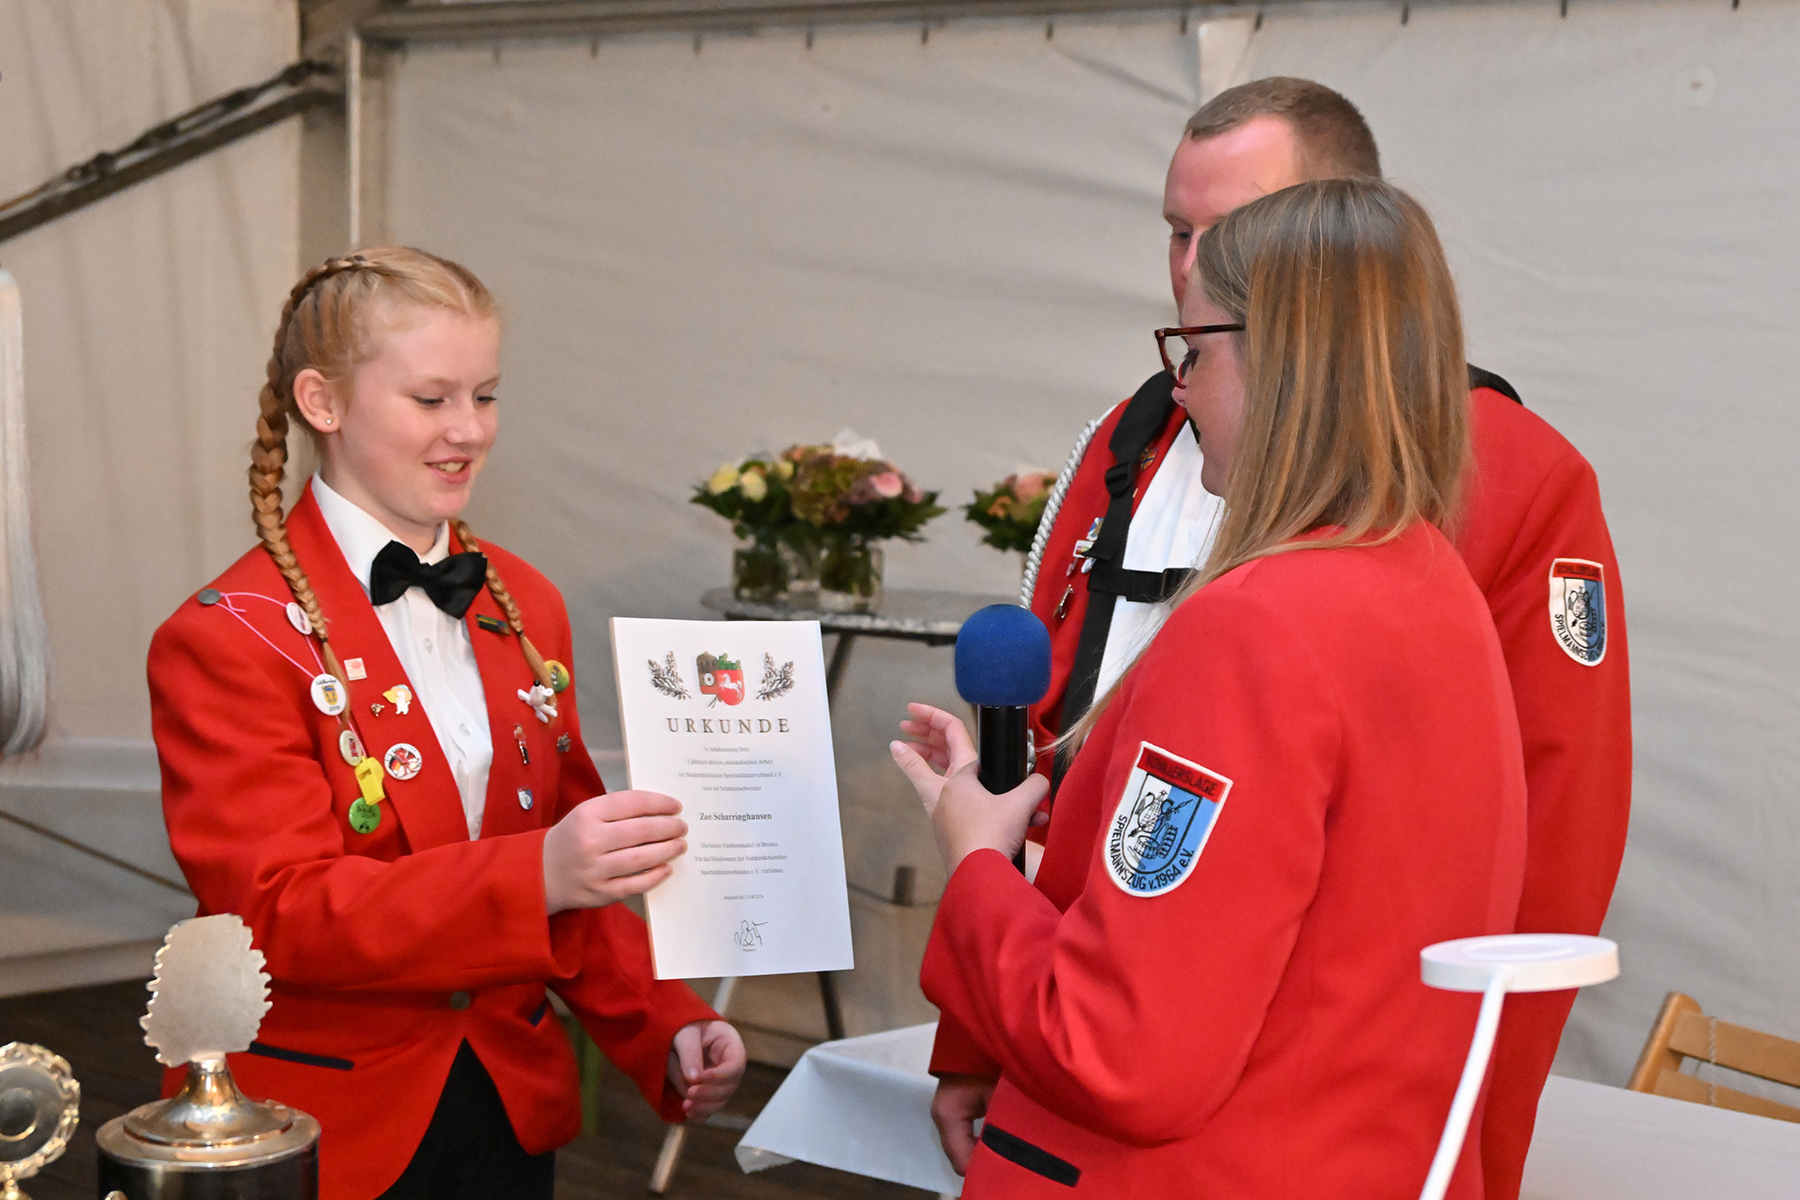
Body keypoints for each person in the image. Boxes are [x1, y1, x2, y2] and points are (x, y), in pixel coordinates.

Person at [954, 77, 1631, 1200]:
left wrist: (1475, 1138)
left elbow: (1545, 852)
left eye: (1229, 233)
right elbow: (1070, 736)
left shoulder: (1495, 488)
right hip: (1180, 1060)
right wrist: (980, 1030)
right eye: (1177, 232)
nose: (1191, 267)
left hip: (1190, 1126)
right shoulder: (1143, 444)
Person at [148, 248, 745, 1200]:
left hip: (507, 1102)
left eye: (486, 395)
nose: (469, 430)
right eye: (431, 399)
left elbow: (577, 871)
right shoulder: (228, 637)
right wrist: (536, 873)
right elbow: (278, 915)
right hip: (326, 1120)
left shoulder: (525, 602)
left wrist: (663, 1020)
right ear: (322, 402)